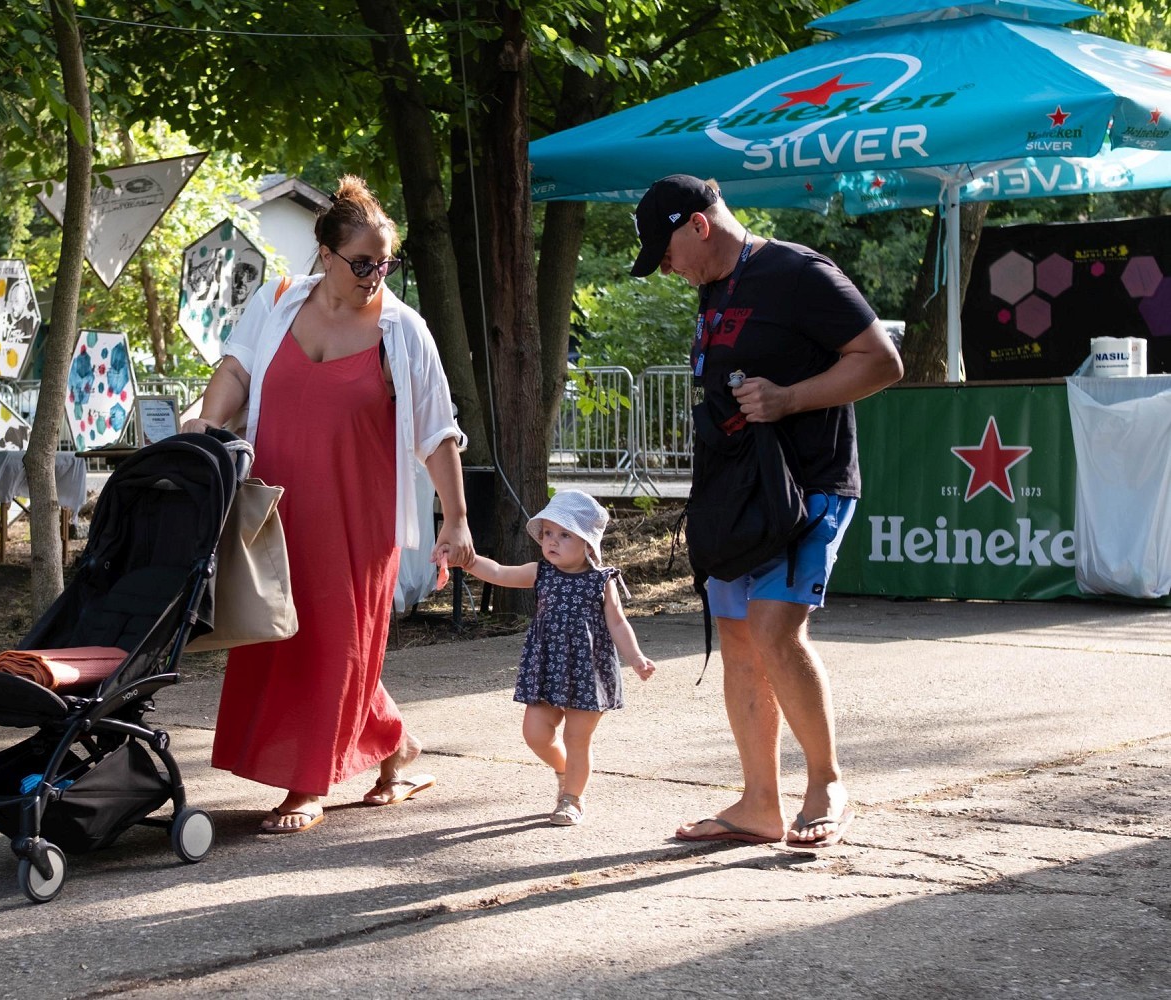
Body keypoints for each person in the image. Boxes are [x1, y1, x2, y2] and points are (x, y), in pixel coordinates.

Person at [180, 175, 474, 835]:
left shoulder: (403, 331)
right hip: (272, 510)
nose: (375, 275)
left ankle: (307, 784)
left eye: (385, 263)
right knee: (283, 634)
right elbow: (236, 369)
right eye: (362, 262)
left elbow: (436, 431)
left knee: (337, 643)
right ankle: (397, 749)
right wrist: (207, 422)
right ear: (325, 254)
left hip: (357, 518)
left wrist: (455, 519)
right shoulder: (276, 301)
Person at [629, 174, 903, 849]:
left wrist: (789, 398)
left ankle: (826, 786)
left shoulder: (799, 272)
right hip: (736, 493)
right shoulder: (713, 288)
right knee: (739, 642)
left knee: (774, 630)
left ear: (698, 225)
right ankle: (759, 805)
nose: (665, 269)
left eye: (665, 253)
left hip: (807, 486)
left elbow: (882, 362)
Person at [460, 490, 656, 827]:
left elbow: (618, 623)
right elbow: (500, 573)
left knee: (577, 738)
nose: (552, 540)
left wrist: (636, 657)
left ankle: (572, 798)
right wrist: (468, 561)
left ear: (588, 544)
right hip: (548, 668)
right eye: (548, 533)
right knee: (535, 733)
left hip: (588, 671)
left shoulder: (601, 580)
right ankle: (565, 770)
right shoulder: (541, 572)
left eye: (565, 534)